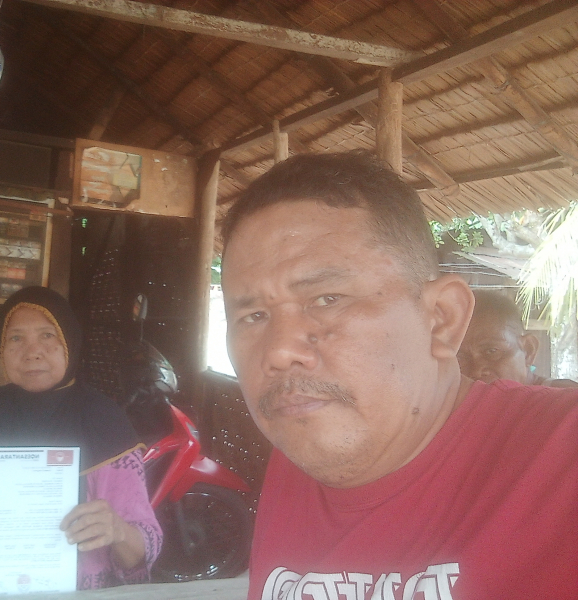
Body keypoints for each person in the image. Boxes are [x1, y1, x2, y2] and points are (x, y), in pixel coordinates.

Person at [220, 151, 578, 600]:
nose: (278, 351)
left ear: (441, 318)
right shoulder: (304, 447)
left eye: (327, 298)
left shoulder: (559, 454)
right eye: (253, 316)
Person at [0, 286, 162, 595]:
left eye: (47, 335)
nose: (32, 352)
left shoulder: (104, 421)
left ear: (69, 341)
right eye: (16, 338)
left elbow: (143, 551)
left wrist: (118, 531)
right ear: (1, 348)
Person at [458, 288, 578, 387]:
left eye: (491, 351)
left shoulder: (566, 401)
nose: (476, 371)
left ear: (528, 351)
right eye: (460, 358)